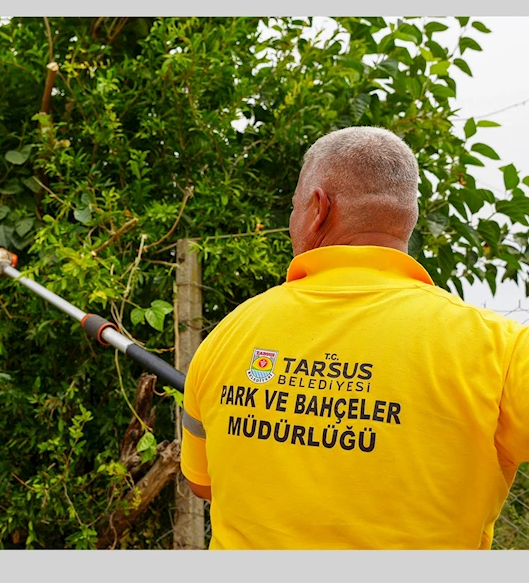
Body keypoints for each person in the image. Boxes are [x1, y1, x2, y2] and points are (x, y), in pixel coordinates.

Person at [180, 126, 528, 549]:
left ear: (317, 209)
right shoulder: (501, 349)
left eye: (293, 207)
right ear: (407, 217)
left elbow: (204, 484)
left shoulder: (228, 335)